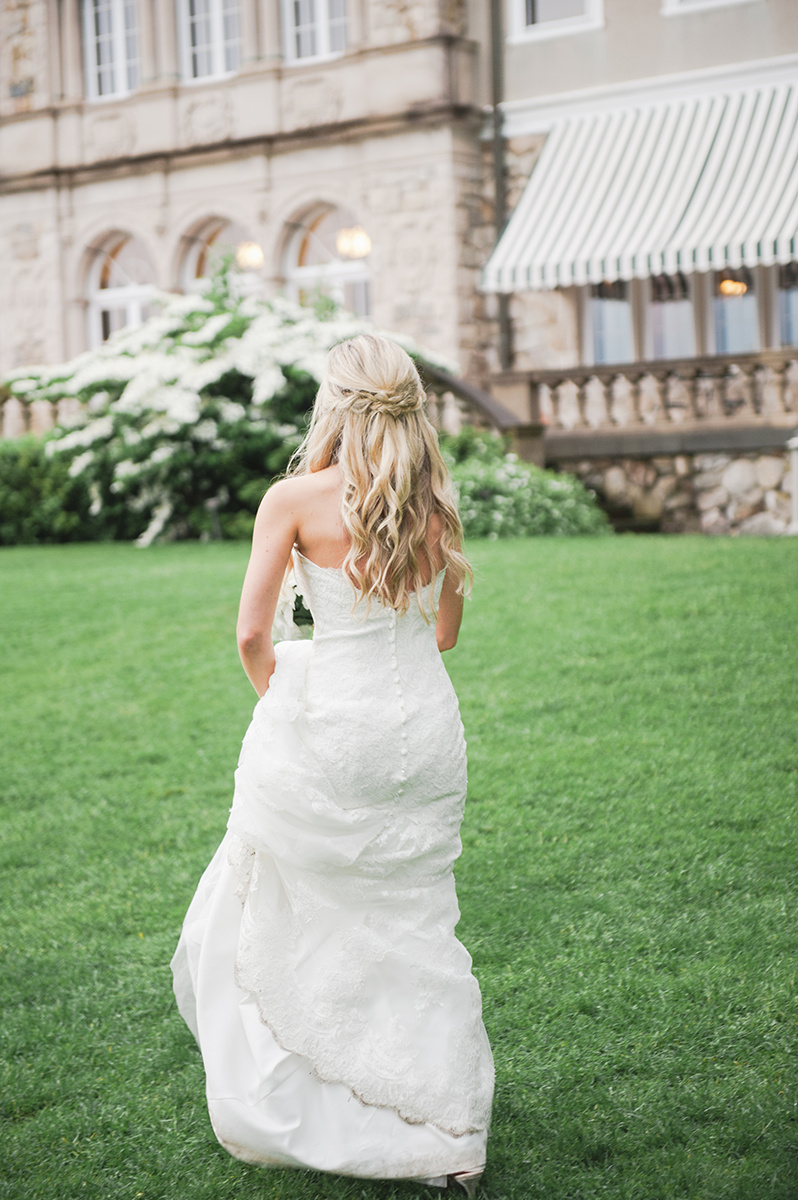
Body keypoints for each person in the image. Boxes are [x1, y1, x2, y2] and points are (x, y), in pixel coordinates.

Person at [170, 333, 494, 1194]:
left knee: (312, 907)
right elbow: (447, 634)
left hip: (333, 724)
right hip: (422, 727)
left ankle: (328, 1093)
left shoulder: (294, 500)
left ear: (335, 407)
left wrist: (281, 695)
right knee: (419, 920)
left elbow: (250, 634)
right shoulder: (438, 505)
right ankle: (451, 1134)